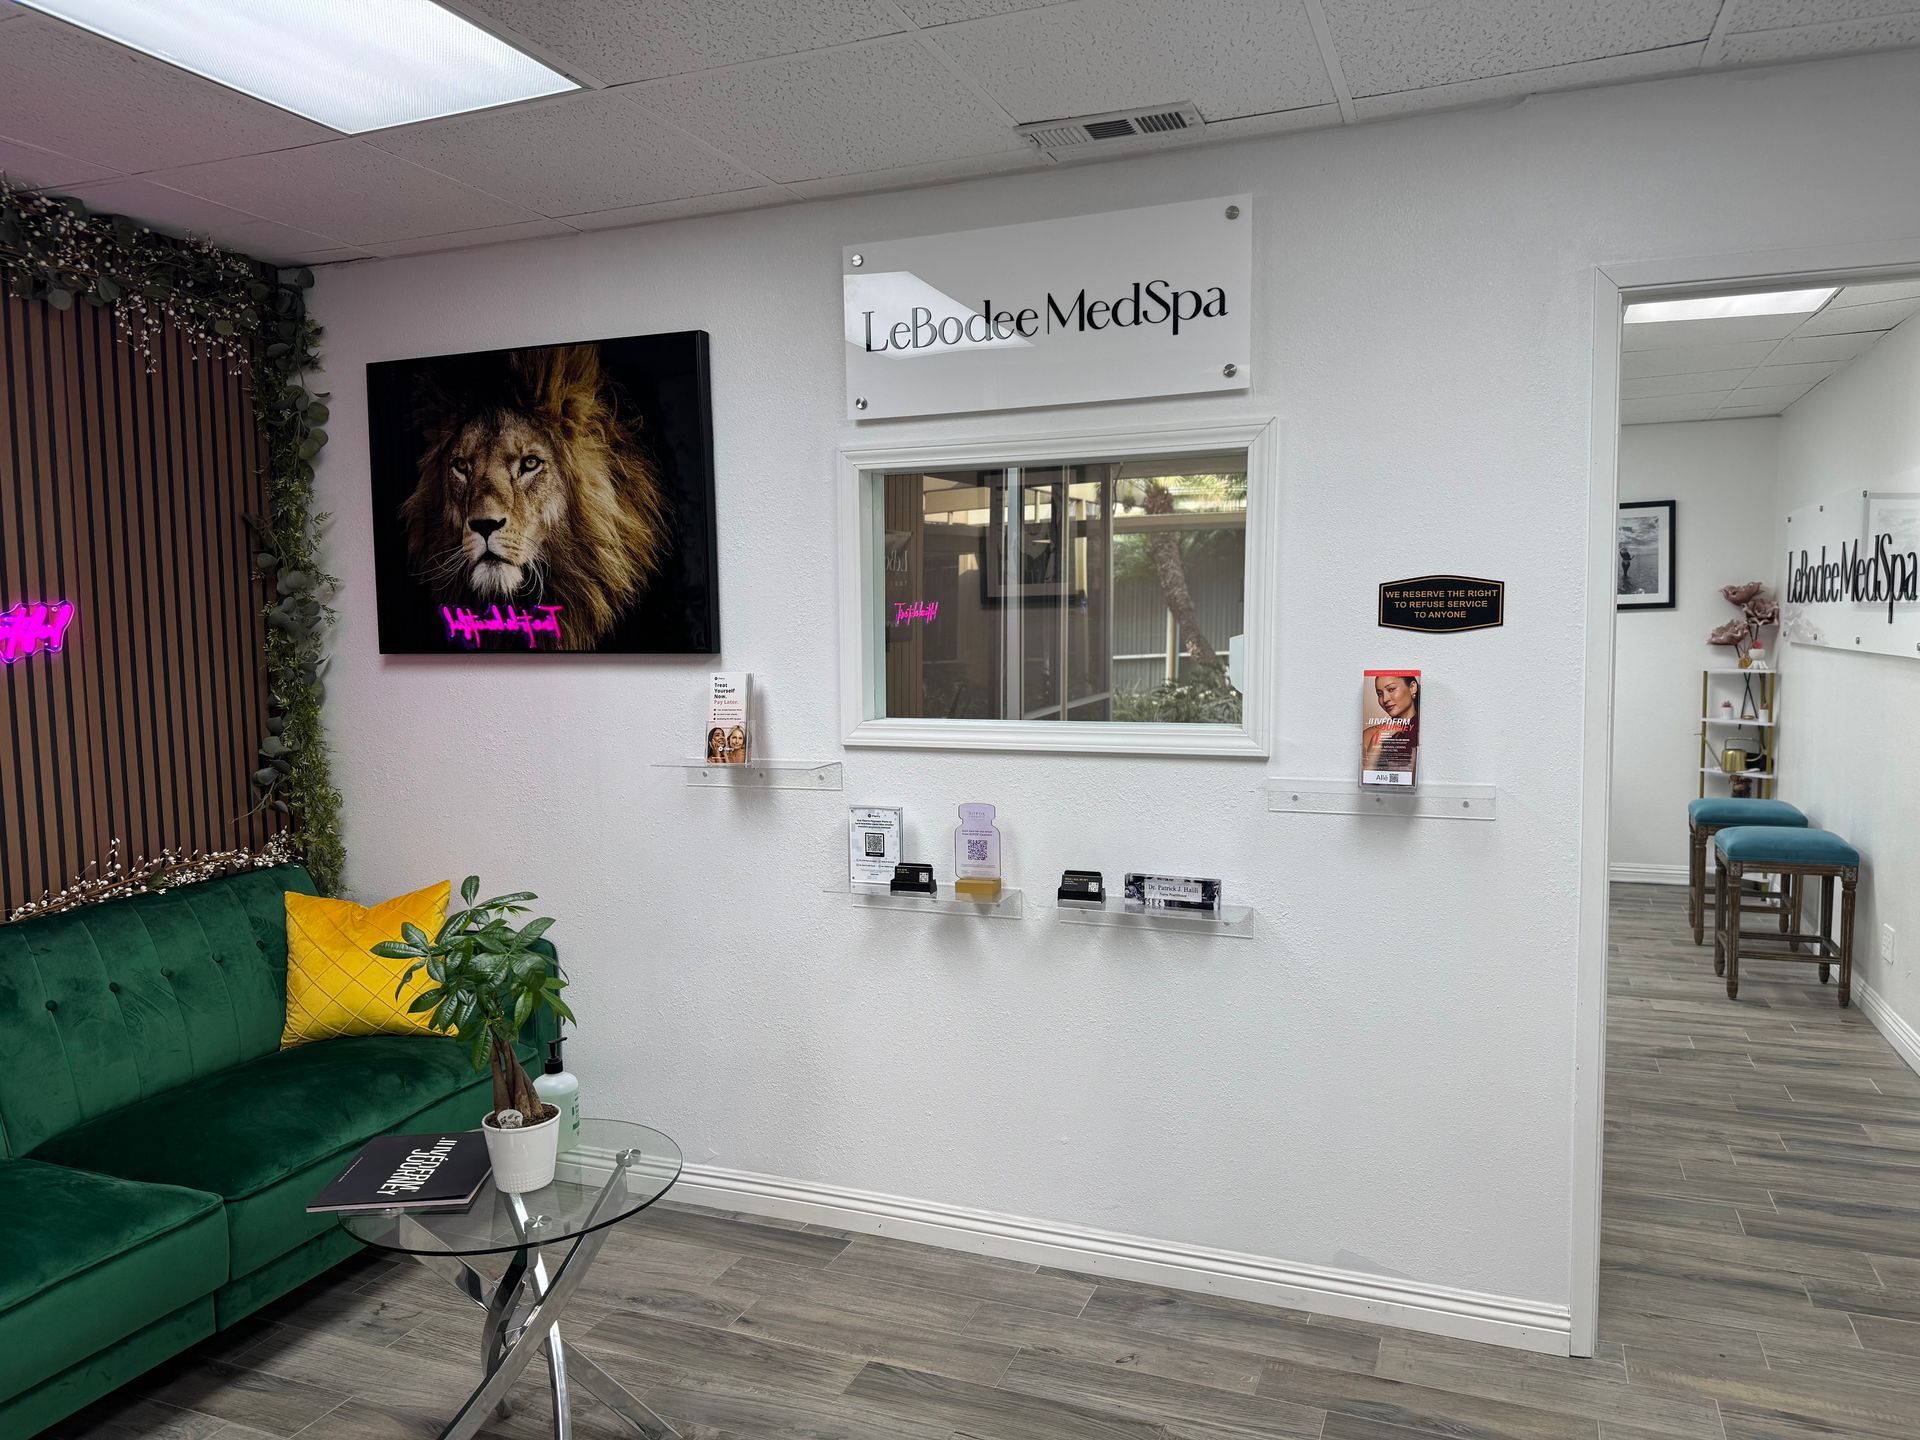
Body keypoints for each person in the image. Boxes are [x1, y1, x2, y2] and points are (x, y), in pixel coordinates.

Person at [1363, 673, 1419, 773]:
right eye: (1380, 694)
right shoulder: (1370, 735)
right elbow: (1366, 783)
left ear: (1412, 687)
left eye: (1391, 689)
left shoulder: (1428, 732)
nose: (1385, 699)